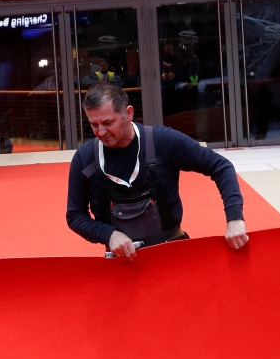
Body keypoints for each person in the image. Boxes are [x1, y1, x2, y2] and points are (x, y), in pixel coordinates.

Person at [67, 81, 248, 260]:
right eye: (94, 125)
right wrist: (109, 234)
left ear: (128, 113)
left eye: (107, 122)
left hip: (171, 254)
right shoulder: (85, 158)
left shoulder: (162, 141)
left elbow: (220, 166)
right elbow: (75, 216)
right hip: (121, 262)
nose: (100, 132)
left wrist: (235, 218)